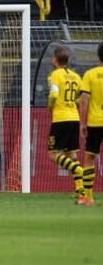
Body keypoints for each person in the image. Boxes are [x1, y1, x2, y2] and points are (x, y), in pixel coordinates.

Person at [45, 47, 84, 201]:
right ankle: (80, 189)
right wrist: (75, 102)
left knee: (53, 154)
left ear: (55, 60)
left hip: (61, 118)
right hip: (74, 117)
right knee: (71, 154)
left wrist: (50, 107)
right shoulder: (75, 76)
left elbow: (54, 94)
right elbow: (84, 95)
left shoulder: (55, 75)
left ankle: (78, 170)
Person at [78, 42, 103, 206]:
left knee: (89, 157)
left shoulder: (90, 74)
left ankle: (89, 197)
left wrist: (82, 123)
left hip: (95, 121)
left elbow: (84, 100)